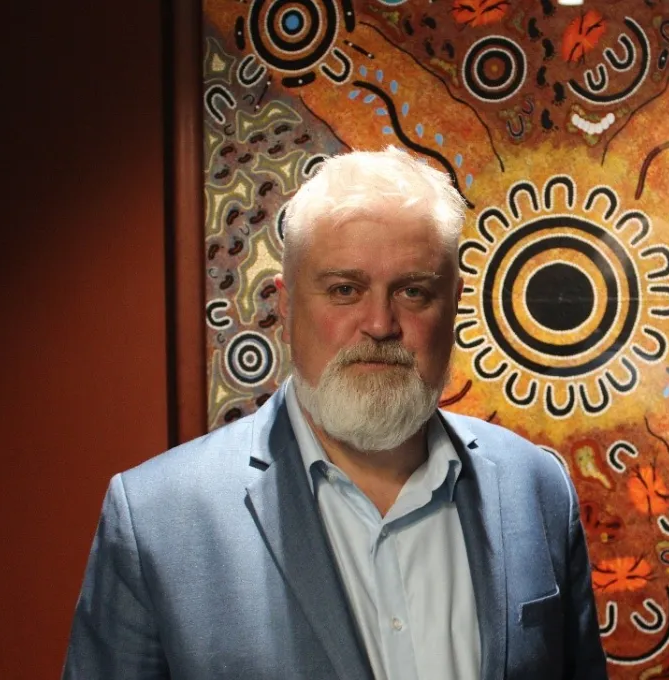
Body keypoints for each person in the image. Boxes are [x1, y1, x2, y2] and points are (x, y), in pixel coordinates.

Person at [63, 147, 609, 680]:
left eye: (413, 291)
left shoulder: (536, 488)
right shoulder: (155, 521)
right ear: (286, 305)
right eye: (345, 289)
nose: (379, 324)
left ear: (455, 304)